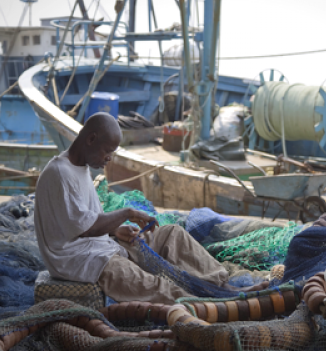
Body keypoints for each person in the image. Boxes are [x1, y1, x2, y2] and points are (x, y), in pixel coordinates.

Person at [34, 112, 266, 304]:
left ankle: (222, 285)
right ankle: (213, 305)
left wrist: (116, 231)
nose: (109, 159)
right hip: (82, 260)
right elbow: (84, 229)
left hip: (101, 246)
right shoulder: (58, 173)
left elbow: (82, 220)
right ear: (91, 139)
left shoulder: (81, 167)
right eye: (108, 151)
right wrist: (128, 213)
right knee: (157, 285)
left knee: (172, 235)